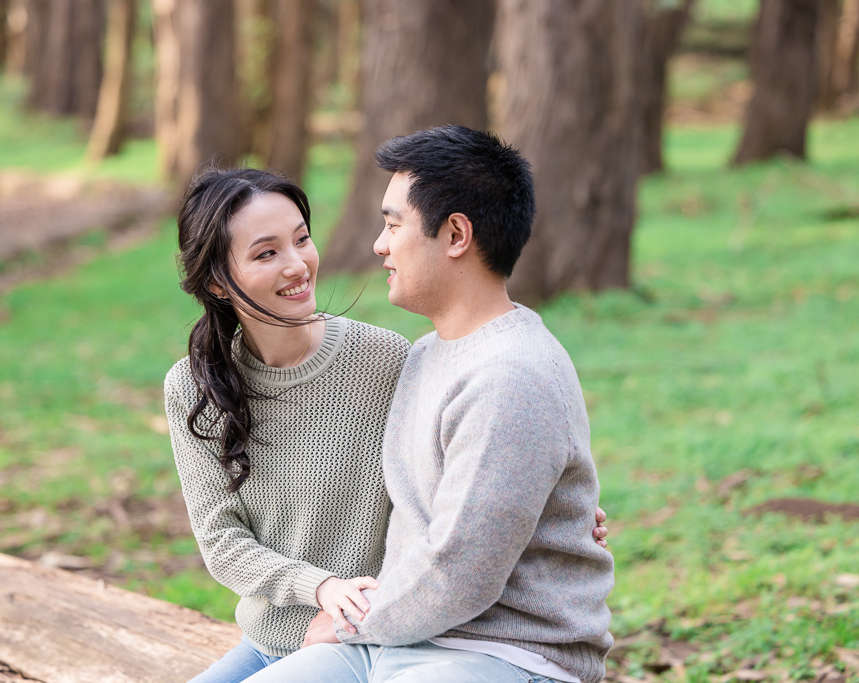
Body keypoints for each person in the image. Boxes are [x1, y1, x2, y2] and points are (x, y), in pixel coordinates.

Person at [165, 167, 609, 683]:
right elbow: (221, 541)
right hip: (284, 636)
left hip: (386, 628)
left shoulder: (388, 361)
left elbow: (470, 475)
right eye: (266, 253)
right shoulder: (196, 387)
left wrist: (557, 508)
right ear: (218, 281)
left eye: (302, 239)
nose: (297, 265)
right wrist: (322, 587)